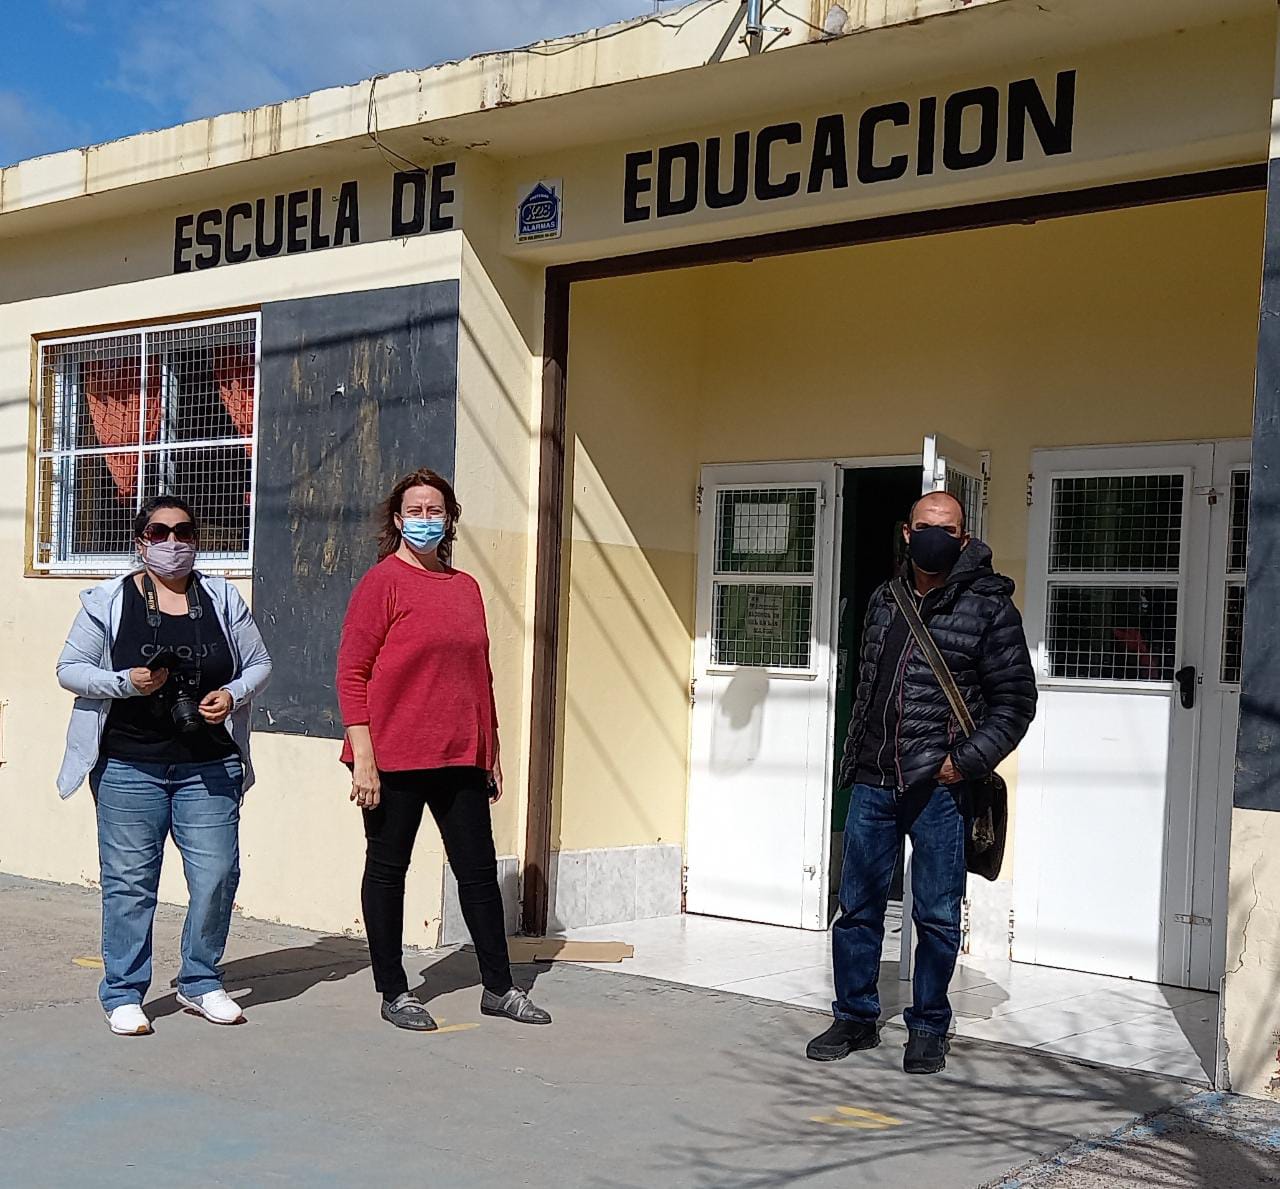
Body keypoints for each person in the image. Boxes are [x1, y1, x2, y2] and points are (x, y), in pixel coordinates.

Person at [807, 491, 1036, 1075]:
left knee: (936, 912)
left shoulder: (990, 609)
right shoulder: (886, 599)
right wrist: (854, 758)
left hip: (940, 787)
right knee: (856, 906)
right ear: (907, 533)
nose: (936, 537)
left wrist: (963, 764)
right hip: (874, 779)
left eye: (949, 529)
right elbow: (869, 687)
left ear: (963, 538)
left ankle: (929, 1024)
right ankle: (854, 1016)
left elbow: (1014, 704)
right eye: (926, 527)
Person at [337, 468, 551, 1031]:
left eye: (436, 510)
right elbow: (351, 672)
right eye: (416, 510)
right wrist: (364, 757)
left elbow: (479, 675)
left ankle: (499, 988)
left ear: (450, 519)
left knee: (478, 874)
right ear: (397, 519)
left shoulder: (466, 589)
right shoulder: (382, 583)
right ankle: (394, 991)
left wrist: (493, 750)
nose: (425, 519)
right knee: (388, 871)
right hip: (393, 758)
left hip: (460, 754)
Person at [56, 495, 273, 1036]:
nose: (173, 543)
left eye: (183, 532)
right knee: (130, 883)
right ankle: (124, 992)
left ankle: (200, 980)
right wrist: (125, 682)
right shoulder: (107, 601)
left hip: (209, 764)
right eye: (159, 532)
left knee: (218, 875)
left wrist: (232, 693)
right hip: (130, 765)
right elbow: (70, 670)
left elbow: (259, 663)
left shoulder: (221, 598)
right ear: (140, 541)